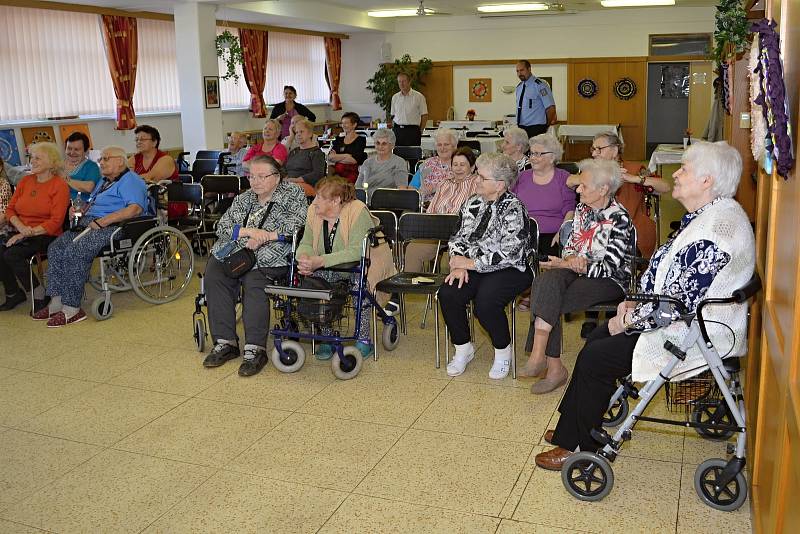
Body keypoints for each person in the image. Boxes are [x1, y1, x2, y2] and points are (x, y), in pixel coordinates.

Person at [535, 141, 755, 470]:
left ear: (707, 181)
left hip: (693, 333)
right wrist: (633, 302)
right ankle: (572, 427)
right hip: (679, 320)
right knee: (595, 340)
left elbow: (675, 305)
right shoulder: (709, 214)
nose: (675, 174)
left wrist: (626, 319)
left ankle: (577, 444)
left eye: (684, 169)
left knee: (596, 353)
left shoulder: (718, 230)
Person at [519, 158, 633, 395]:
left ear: (603, 189)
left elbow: (611, 267)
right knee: (545, 281)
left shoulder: (620, 219)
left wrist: (577, 266)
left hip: (608, 280)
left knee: (548, 295)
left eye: (583, 186)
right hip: (576, 270)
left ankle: (552, 366)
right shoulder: (582, 209)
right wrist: (570, 258)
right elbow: (571, 244)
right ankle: (542, 357)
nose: (577, 189)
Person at [202, 155, 307, 377]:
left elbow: (295, 226)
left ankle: (255, 348)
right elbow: (223, 226)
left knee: (254, 281)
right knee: (214, 274)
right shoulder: (244, 198)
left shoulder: (293, 194)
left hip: (273, 255)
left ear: (277, 177)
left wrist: (266, 236)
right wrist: (250, 232)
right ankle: (226, 342)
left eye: (262, 176)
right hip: (236, 252)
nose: (255, 182)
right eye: (251, 176)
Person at [439, 153, 533, 380]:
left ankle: (502, 351)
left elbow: (511, 253)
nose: (477, 180)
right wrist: (458, 263)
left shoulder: (513, 208)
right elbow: (457, 237)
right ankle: (463, 348)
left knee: (486, 303)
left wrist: (469, 263)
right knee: (449, 293)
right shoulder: (472, 202)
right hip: (474, 265)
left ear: (500, 185)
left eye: (482, 177)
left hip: (512, 269)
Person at [33, 146, 148, 327]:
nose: (101, 162)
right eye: (100, 159)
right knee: (55, 248)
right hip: (90, 222)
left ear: (120, 161)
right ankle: (56, 301)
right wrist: (78, 209)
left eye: (106, 158)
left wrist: (104, 221)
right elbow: (91, 202)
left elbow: (135, 209)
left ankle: (72, 309)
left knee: (75, 251)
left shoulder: (131, 181)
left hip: (115, 226)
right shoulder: (105, 181)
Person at [571, 131, 670, 338]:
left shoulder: (633, 168)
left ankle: (612, 313)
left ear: (615, 150)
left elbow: (664, 187)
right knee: (591, 248)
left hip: (631, 232)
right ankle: (591, 316)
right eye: (593, 149)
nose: (595, 152)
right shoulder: (590, 171)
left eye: (600, 148)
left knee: (605, 252)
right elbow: (569, 181)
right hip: (598, 235)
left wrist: (633, 178)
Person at [295, 176, 396, 360]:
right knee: (316, 284)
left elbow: (357, 251)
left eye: (319, 197)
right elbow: (306, 242)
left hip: (366, 263)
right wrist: (304, 258)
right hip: (331, 264)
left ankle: (364, 339)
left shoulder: (357, 211)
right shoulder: (313, 211)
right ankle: (327, 336)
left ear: (335, 200)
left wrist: (320, 261)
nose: (314, 201)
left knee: (360, 286)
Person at [0, 143, 69, 312]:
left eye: (38, 158)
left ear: (52, 163)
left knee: (12, 254)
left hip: (46, 234)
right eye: (32, 157)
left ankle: (39, 293)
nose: (33, 161)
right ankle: (13, 293)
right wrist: (21, 228)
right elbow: (10, 210)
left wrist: (26, 232)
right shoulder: (26, 181)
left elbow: (56, 221)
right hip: (22, 230)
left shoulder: (59, 185)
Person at [511, 134, 575, 257]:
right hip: (523, 234)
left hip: (553, 235)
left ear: (552, 157)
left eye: (538, 154)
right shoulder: (521, 177)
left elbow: (569, 210)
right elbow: (511, 205)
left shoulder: (563, 177)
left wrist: (562, 233)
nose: (533, 158)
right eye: (532, 153)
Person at [128, 125, 184, 219]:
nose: (138, 142)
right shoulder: (135, 158)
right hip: (144, 201)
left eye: (143, 139)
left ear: (154, 142)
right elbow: (123, 176)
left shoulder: (166, 159)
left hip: (166, 203)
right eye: (137, 139)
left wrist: (128, 179)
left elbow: (150, 179)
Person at [355, 128, 408, 198]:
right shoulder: (367, 163)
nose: (380, 146)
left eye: (384, 144)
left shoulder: (399, 163)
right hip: (365, 201)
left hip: (388, 201)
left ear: (392, 145)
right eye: (377, 143)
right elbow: (357, 187)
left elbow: (401, 189)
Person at [410, 128, 457, 204]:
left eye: (446, 144)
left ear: (454, 146)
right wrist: (421, 192)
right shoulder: (428, 164)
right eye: (439, 145)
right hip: (425, 207)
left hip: (452, 208)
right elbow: (412, 188)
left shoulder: (460, 164)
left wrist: (435, 188)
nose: (442, 148)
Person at [285, 118, 327, 197]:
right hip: (290, 184)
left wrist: (296, 180)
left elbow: (318, 174)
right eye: (296, 132)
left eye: (301, 131)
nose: (298, 134)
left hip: (307, 186)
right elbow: (285, 169)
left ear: (310, 134)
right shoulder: (294, 151)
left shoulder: (316, 153)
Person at [514, 60, 557, 138]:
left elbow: (551, 108)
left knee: (536, 150)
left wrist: (545, 125)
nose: (519, 73)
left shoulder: (540, 85)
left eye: (522, 70)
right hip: (521, 129)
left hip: (537, 128)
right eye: (517, 71)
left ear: (529, 69)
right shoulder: (519, 88)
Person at [327, 112, 367, 183]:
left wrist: (337, 157)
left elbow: (354, 160)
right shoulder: (338, 139)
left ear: (354, 124)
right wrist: (346, 155)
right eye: (342, 123)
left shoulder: (361, 140)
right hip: (336, 174)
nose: (343, 126)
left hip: (352, 174)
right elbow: (330, 157)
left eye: (346, 123)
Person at [390, 72, 428, 147]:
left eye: (403, 81)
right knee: (398, 155)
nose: (401, 84)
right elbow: (393, 115)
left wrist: (420, 130)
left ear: (409, 81)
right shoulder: (395, 97)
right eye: (399, 82)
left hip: (413, 131)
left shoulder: (419, 97)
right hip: (398, 131)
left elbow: (424, 115)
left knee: (413, 155)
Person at [63, 132, 102, 199]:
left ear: (86, 151)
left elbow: (89, 188)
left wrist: (65, 179)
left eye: (76, 149)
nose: (72, 153)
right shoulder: (57, 165)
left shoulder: (91, 166)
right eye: (69, 148)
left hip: (78, 207)